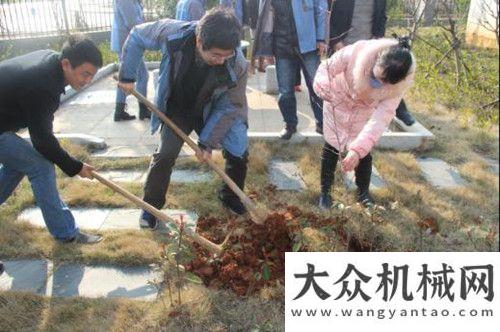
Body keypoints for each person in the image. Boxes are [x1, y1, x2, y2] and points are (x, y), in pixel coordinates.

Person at [117, 8, 249, 229]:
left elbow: (230, 105)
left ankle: (231, 197)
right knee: (165, 154)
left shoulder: (237, 63)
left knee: (239, 150)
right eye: (215, 55)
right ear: (199, 40)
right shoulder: (172, 34)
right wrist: (127, 75)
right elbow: (137, 35)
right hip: (177, 107)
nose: (221, 61)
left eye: (226, 55)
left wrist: (206, 142)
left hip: (215, 107)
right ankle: (151, 207)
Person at [0, 36, 104, 244]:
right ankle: (66, 233)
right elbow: (43, 141)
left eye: (92, 76)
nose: (87, 81)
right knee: (40, 166)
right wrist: (75, 166)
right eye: (85, 74)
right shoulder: (42, 85)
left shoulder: (51, 63)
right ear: (66, 64)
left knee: (19, 162)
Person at [313, 37, 415, 208]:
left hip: (364, 111)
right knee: (331, 148)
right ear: (375, 60)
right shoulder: (354, 53)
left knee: (364, 153)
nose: (378, 85)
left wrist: (357, 150)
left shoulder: (397, 87)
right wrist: (324, 87)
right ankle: (325, 193)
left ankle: (363, 193)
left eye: (384, 83)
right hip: (337, 101)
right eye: (376, 78)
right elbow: (326, 68)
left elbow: (381, 119)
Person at [328, 0, 416, 125]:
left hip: (369, 48)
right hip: (344, 46)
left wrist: (377, 37)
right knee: (342, 86)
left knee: (385, 78)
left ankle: (401, 110)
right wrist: (336, 41)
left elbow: (382, 17)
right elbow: (328, 16)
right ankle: (340, 118)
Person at [111, 0, 149, 121]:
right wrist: (148, 29)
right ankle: (143, 109)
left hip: (129, 43)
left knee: (125, 76)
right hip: (128, 43)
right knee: (143, 76)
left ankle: (119, 110)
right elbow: (133, 22)